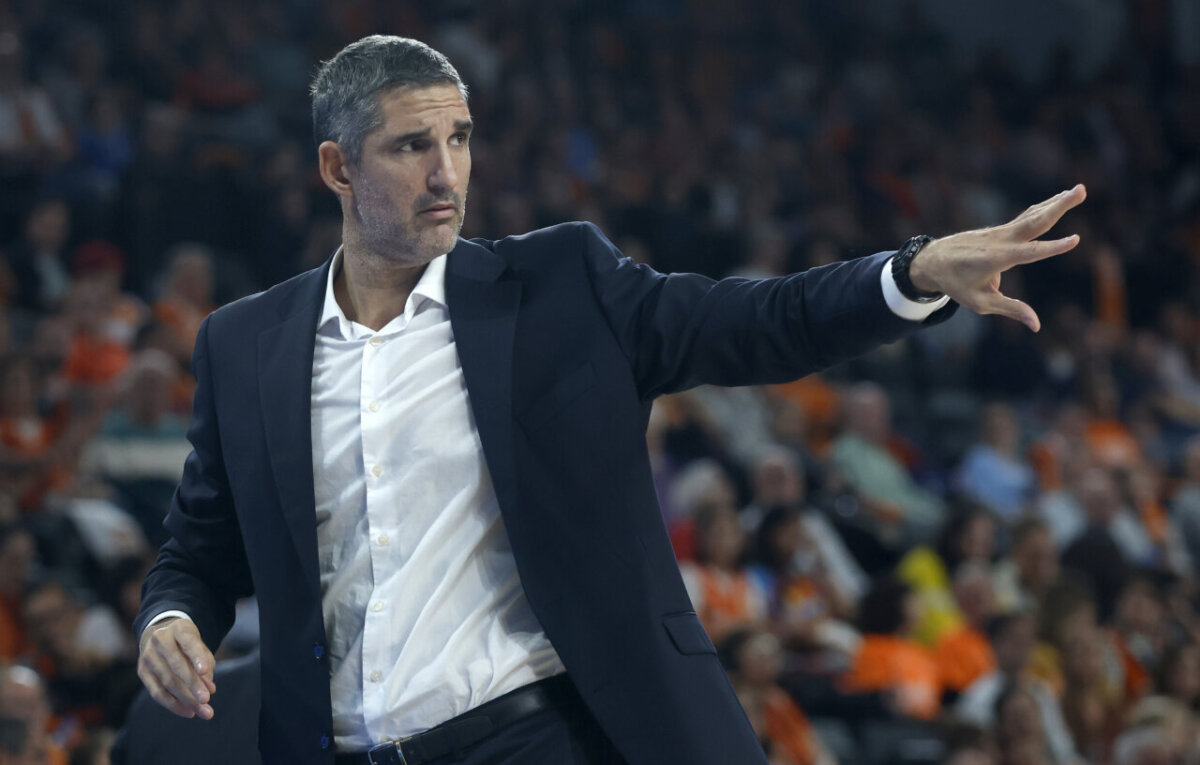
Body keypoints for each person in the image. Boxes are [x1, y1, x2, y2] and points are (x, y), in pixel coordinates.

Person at [133, 35, 1088, 765]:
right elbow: (198, 546)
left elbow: (757, 321)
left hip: (543, 732)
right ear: (339, 169)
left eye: (460, 138)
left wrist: (913, 270)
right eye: (411, 146)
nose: (447, 173)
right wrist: (171, 618)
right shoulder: (245, 341)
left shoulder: (561, 285)